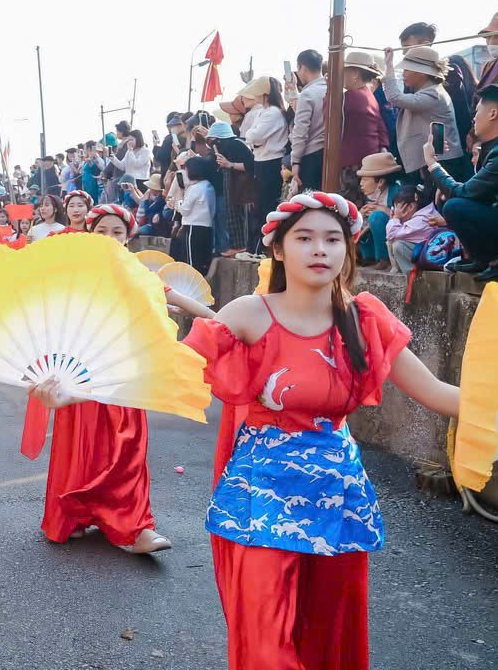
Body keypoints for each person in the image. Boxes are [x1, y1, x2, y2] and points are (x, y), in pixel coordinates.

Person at [182, 192, 459, 670]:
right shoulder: (250, 313)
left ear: (348, 250)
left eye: (333, 239)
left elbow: (436, 392)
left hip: (337, 492)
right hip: (260, 496)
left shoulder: (365, 318)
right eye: (305, 238)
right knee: (265, 643)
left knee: (331, 637)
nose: (319, 250)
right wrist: (77, 389)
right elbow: (175, 368)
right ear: (277, 249)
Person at [23, 203, 213, 556]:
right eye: (102, 232)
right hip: (79, 372)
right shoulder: (72, 273)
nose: (110, 238)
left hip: (124, 372)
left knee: (127, 445)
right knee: (79, 446)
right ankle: (75, 514)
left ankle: (137, 526)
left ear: (128, 239)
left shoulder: (137, 273)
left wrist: (223, 322)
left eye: (118, 233)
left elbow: (180, 300)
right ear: (89, 234)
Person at [426, 83, 498, 282]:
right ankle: (487, 259)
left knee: (455, 205)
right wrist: (444, 182)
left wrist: (432, 165)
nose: (474, 118)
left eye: (478, 111)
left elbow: (465, 194)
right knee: (447, 198)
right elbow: (477, 191)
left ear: (493, 113)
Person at [383, 46, 467, 182]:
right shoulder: (431, 92)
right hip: (434, 160)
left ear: (421, 72)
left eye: (407, 69)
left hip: (442, 162)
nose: (403, 73)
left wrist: (389, 66)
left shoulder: (434, 94)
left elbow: (395, 98)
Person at [399, 22, 477, 143]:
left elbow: (460, 108)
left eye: (406, 47)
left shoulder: (448, 73)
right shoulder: (410, 75)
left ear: (425, 45)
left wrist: (467, 135)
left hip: (447, 143)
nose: (403, 53)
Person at [243, 77, 289, 254]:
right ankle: (257, 248)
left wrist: (252, 136)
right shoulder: (265, 112)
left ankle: (262, 248)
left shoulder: (273, 113)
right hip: (262, 161)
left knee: (266, 207)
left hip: (271, 162)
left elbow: (255, 136)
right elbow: (252, 135)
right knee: (260, 207)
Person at [340, 52, 390, 192]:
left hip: (352, 162)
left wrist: (329, 91)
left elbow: (328, 116)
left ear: (355, 73)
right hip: (368, 159)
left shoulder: (350, 96)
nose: (342, 75)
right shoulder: (369, 95)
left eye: (345, 71)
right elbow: (381, 127)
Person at [209, 122, 255, 256]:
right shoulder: (226, 146)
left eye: (214, 140)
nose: (213, 144)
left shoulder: (235, 144)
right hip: (231, 182)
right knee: (231, 214)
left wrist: (230, 164)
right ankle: (236, 245)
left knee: (238, 215)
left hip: (241, 184)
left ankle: (241, 246)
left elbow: (251, 165)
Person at [287, 49, 329, 191]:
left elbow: (301, 130)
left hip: (311, 155)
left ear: (302, 67)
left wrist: (295, 162)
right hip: (330, 153)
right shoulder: (332, 89)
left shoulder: (308, 94)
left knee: (309, 203)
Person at [354, 152, 402, 270]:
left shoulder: (398, 193)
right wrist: (360, 214)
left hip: (396, 239)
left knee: (376, 217)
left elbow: (405, 219)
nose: (361, 184)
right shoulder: (370, 196)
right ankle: (369, 257)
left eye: (365, 180)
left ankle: (384, 259)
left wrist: (385, 211)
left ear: (380, 182)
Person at [172, 156, 216, 275]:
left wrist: (178, 200)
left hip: (192, 227)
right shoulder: (209, 186)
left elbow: (185, 210)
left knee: (191, 263)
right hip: (206, 227)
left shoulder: (195, 188)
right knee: (201, 262)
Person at [383, 186, 439, 275]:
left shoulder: (422, 220)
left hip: (432, 257)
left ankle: (413, 277)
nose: (395, 212)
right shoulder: (425, 213)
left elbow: (391, 234)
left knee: (398, 245)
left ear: (411, 206)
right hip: (427, 254)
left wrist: (395, 218)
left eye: (398, 207)